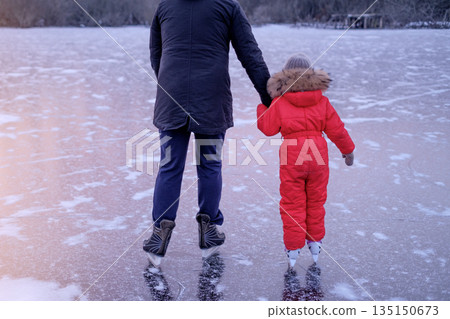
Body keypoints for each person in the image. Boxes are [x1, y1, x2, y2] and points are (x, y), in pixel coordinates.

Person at [143, 0, 272, 266]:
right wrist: (270, 99)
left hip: (172, 97)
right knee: (209, 166)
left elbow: (156, 52)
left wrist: (169, 84)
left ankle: (159, 235)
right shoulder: (227, 6)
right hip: (211, 100)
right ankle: (209, 230)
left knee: (169, 166)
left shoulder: (165, 6)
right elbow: (250, 53)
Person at [257, 53, 355, 267]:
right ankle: (315, 243)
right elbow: (337, 130)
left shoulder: (280, 102)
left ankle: (293, 248)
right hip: (318, 156)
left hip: (292, 156)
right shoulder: (322, 101)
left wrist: (263, 107)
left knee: (293, 203)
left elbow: (268, 128)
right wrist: (348, 151)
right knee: (316, 202)